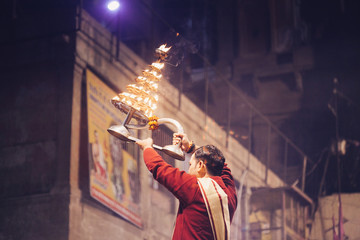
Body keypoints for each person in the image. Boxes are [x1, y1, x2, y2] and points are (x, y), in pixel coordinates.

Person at [136, 133, 237, 240]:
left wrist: (147, 147)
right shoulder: (230, 196)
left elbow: (160, 169)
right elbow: (221, 164)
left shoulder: (195, 188)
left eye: (190, 165)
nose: (188, 170)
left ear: (200, 166)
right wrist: (190, 147)